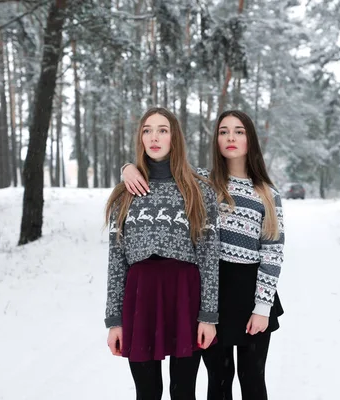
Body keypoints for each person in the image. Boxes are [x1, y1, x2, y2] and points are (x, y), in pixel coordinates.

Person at [121, 110, 285, 400]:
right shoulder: (201, 182)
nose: (231, 137)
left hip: (253, 293)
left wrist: (262, 306)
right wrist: (127, 168)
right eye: (223, 131)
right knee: (218, 380)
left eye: (239, 131)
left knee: (253, 381)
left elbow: (273, 252)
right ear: (216, 139)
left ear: (251, 139)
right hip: (212, 291)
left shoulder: (268, 194)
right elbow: (164, 167)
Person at [104, 107, 220, 400]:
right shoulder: (126, 192)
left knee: (183, 392)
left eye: (163, 130)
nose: (154, 137)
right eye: (147, 130)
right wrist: (114, 321)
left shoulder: (198, 188)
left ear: (174, 138)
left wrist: (208, 315)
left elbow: (209, 254)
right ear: (140, 138)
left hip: (185, 296)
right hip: (141, 295)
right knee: (147, 392)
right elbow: (117, 260)